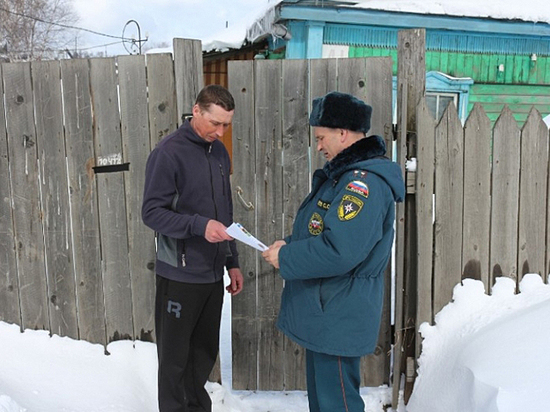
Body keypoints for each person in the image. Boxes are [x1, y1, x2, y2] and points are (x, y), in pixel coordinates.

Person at [262, 91, 404, 412]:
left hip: (339, 311)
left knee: (337, 403)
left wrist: (286, 259)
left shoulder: (362, 184)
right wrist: (290, 244)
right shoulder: (341, 176)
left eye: (321, 137)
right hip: (328, 310)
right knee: (324, 402)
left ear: (342, 134)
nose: (318, 145)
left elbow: (340, 250)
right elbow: (321, 230)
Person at [142, 84, 244, 412]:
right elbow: (152, 213)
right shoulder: (168, 153)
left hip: (212, 275)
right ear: (196, 110)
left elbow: (225, 214)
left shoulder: (219, 153)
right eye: (215, 123)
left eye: (226, 124)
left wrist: (232, 262)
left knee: (202, 356)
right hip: (179, 275)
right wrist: (198, 226)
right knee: (174, 362)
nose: (220, 131)